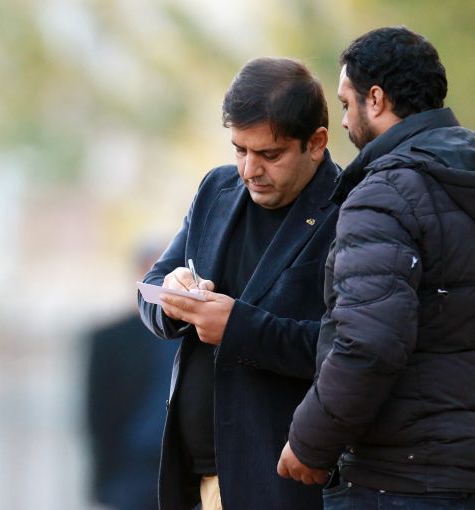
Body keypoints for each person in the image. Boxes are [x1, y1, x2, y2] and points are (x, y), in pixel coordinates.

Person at [278, 26, 475, 509]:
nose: (345, 121)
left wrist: (309, 442)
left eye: (346, 104)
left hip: (402, 479)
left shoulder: (384, 195)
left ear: (377, 99)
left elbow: (369, 342)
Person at [138, 57, 339, 510]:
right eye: (239, 150)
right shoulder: (217, 189)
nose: (250, 169)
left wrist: (238, 328)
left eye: (270, 155)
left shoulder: (350, 210)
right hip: (194, 476)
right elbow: (149, 287)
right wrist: (171, 295)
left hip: (278, 481)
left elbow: (347, 348)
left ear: (316, 143)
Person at [86, 243, 179, 510]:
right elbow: (98, 413)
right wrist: (106, 480)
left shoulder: (200, 335)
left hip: (186, 469)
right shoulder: (111, 338)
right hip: (134, 469)